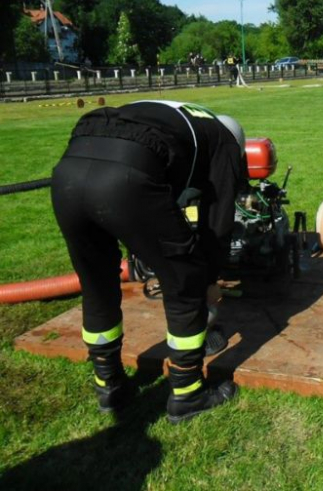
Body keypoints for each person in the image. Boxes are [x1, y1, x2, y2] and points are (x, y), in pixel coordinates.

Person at [50, 100, 246, 422]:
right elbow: (217, 224)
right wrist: (209, 279)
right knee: (186, 278)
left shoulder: (178, 114)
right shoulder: (224, 142)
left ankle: (109, 385)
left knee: (97, 283)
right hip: (125, 174)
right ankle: (188, 394)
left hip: (70, 171)